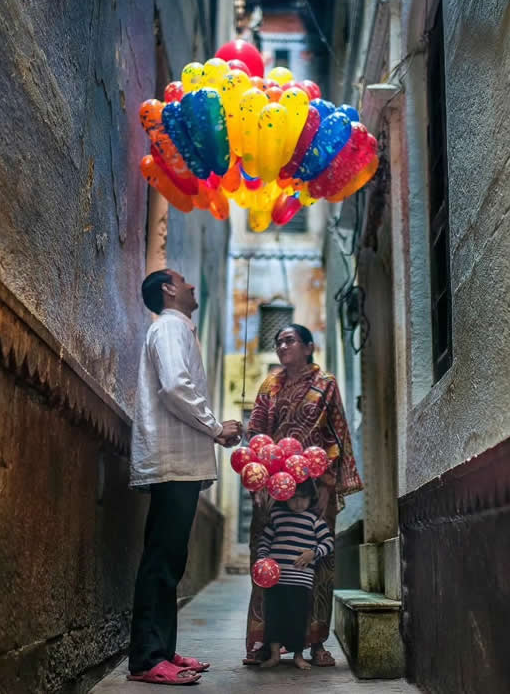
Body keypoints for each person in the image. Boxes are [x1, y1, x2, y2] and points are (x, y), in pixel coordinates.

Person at [127, 269, 242, 685]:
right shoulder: (170, 328)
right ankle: (146, 659)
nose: (193, 285)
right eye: (183, 280)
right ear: (168, 290)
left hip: (181, 464)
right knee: (161, 561)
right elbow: (176, 387)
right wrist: (215, 427)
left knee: (169, 560)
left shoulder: (178, 329)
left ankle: (160, 648)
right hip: (172, 462)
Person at [244, 324, 363, 667]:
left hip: (314, 489)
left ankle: (316, 643)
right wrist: (257, 483)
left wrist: (328, 485)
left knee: (319, 565)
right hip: (273, 487)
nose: (282, 345)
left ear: (309, 347)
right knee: (266, 560)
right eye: (279, 341)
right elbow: (256, 436)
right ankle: (263, 641)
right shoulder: (270, 386)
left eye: (290, 340)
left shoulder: (325, 384)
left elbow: (336, 436)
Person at [255, 479, 334, 670]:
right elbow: (265, 540)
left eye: (303, 498)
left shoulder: (314, 520)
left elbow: (329, 543)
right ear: (285, 497)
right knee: (274, 617)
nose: (298, 503)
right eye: (294, 498)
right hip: (276, 581)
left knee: (298, 620)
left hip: (301, 581)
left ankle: (298, 656)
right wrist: (263, 558)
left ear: (311, 498)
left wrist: (313, 553)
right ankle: (274, 655)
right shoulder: (277, 516)